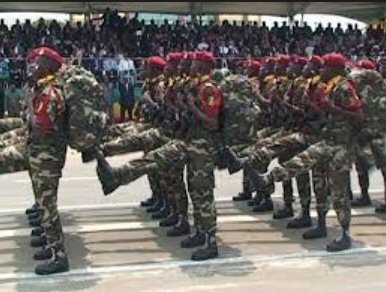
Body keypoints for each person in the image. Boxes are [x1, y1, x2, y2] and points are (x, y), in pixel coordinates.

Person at [25, 46, 69, 275]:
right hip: (41, 156)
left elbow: (42, 126)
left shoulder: (49, 93)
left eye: (39, 63)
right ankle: (51, 247)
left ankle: (59, 257)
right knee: (44, 206)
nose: (34, 66)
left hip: (47, 158)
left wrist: (30, 110)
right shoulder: (42, 89)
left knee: (48, 207)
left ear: (50, 68)